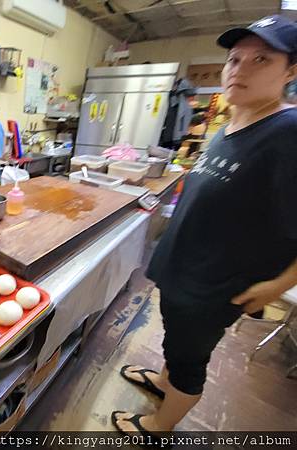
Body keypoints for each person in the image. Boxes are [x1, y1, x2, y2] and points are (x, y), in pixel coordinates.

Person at [112, 15, 297, 437]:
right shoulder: (234, 121)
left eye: (261, 60)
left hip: (214, 285)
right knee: (175, 341)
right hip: (184, 271)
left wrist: (274, 287)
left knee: (189, 360)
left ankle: (159, 426)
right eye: (234, 59)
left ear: (291, 71)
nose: (240, 69)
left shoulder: (288, 132)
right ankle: (163, 380)